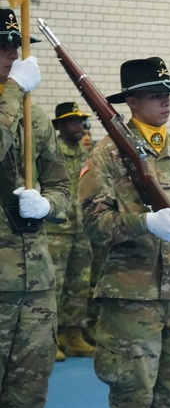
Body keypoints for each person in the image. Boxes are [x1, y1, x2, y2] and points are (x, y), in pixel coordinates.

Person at [78, 57, 170, 408]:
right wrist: (144, 222)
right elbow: (93, 224)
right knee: (132, 395)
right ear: (130, 101)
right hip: (131, 298)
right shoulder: (106, 153)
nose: (165, 101)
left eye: (167, 93)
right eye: (153, 94)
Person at [0, 10, 71, 408]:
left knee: (24, 404)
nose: (12, 56)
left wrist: (49, 205)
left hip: (35, 285)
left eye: (14, 46)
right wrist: (10, 96)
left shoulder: (34, 114)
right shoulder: (15, 103)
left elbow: (65, 186)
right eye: (3, 49)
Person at [47, 102, 96, 358]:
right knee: (55, 287)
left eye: (81, 121)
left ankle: (74, 334)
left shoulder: (87, 154)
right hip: (57, 230)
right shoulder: (51, 151)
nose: (80, 126)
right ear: (61, 125)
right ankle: (50, 340)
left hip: (82, 229)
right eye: (73, 122)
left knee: (79, 285)